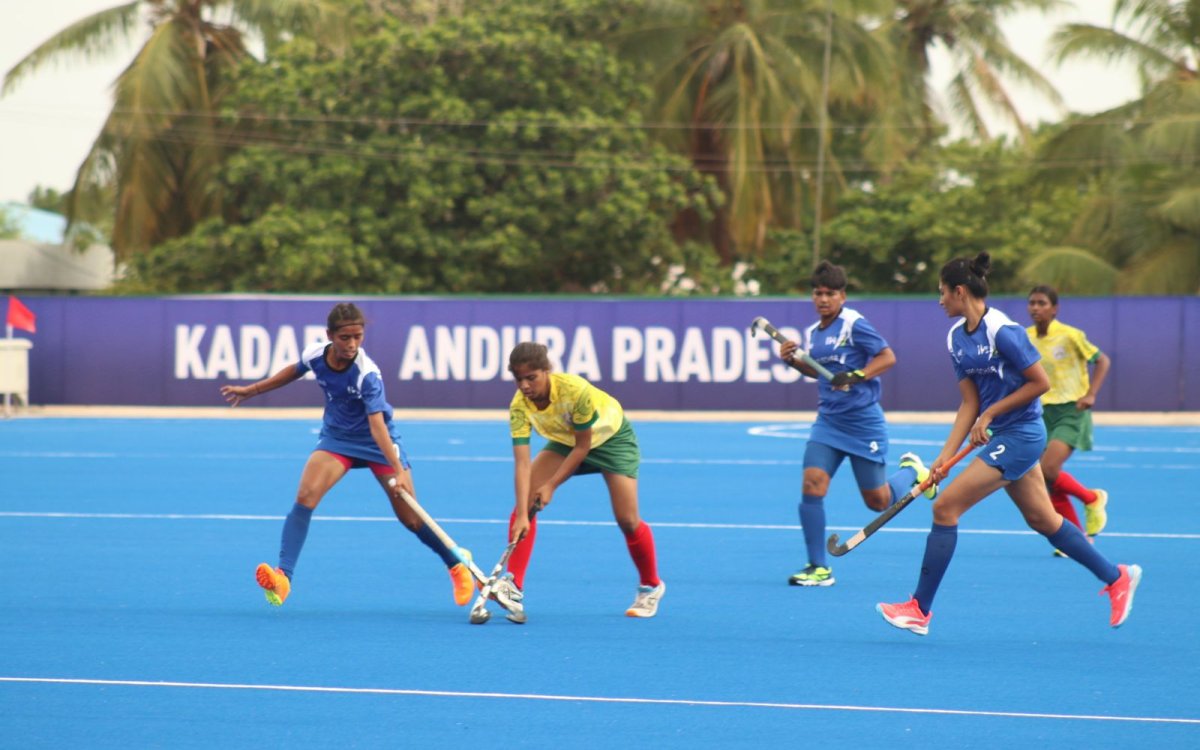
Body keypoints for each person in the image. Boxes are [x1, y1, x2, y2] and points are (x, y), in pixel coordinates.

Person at [877, 253, 1141, 636]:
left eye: (942, 293)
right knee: (1043, 520)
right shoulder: (955, 338)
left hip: (1023, 434)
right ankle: (1116, 576)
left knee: (946, 508)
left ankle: (919, 609)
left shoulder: (1003, 330)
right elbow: (969, 402)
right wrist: (943, 457)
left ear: (960, 291)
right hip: (1004, 435)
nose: (939, 301)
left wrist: (991, 414)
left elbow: (1040, 383)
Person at [220, 302, 475, 609]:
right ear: (330, 336)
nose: (352, 344)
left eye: (358, 336)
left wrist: (398, 470)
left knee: (411, 518)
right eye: (345, 338)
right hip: (338, 440)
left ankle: (457, 564)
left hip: (377, 443)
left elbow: (378, 426)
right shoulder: (317, 354)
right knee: (305, 497)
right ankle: (283, 578)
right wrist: (253, 390)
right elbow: (294, 370)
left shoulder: (367, 374)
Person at [776, 260, 936, 587]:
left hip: (864, 424)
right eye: (818, 293)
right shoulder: (814, 333)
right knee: (812, 485)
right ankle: (818, 567)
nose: (823, 299)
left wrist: (859, 374)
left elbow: (887, 357)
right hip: (828, 422)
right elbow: (817, 371)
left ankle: (913, 472)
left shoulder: (854, 324)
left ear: (842, 296)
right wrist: (794, 361)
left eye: (830, 294)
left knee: (877, 501)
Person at [493, 341, 664, 622]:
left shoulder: (575, 390)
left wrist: (551, 486)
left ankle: (651, 586)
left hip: (611, 439)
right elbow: (523, 463)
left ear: (546, 371)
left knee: (628, 519)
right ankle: (513, 586)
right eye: (518, 378)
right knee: (525, 502)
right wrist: (522, 514)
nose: (524, 386)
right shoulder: (518, 406)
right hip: (565, 441)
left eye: (531, 377)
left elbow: (583, 447)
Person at [1027, 285, 1111, 551]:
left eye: (1041, 303)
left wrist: (1091, 394)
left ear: (1054, 309)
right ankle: (1074, 540)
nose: (1036, 308)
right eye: (1032, 303)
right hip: (1040, 413)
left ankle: (1091, 498)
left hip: (1070, 411)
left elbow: (1102, 360)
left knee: (1048, 469)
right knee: (1048, 482)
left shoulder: (1070, 335)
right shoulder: (1025, 337)